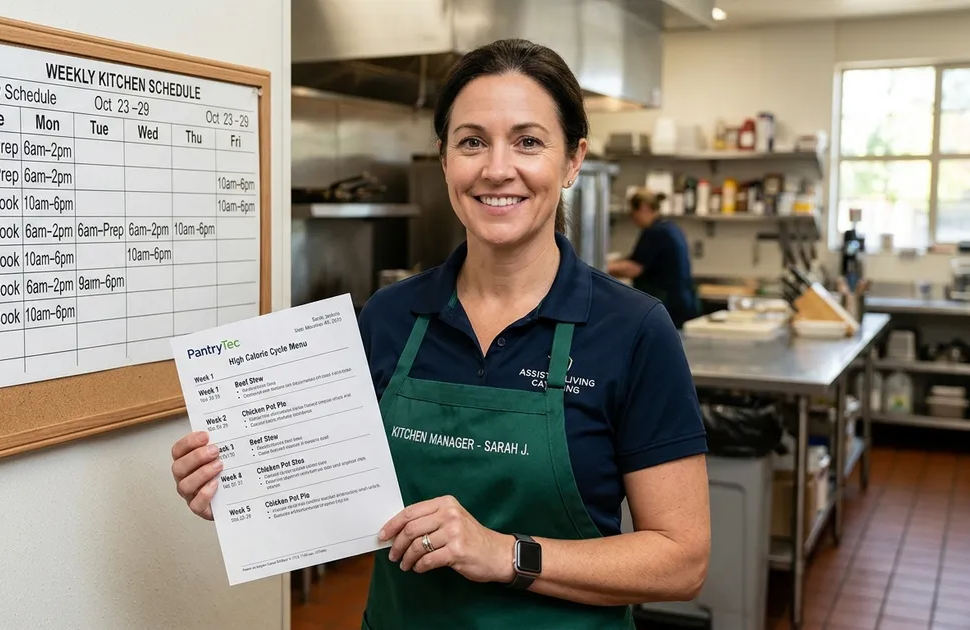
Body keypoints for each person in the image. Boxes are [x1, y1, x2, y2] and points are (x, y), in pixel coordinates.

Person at [171, 38, 710, 629]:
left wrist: (506, 553)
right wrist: (241, 488)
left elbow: (680, 561)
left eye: (528, 142)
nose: (496, 168)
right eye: (472, 141)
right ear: (445, 158)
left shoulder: (633, 330)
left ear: (573, 160)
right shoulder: (389, 316)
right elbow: (336, 494)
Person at [606, 189, 699, 328]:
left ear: (643, 208)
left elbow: (634, 268)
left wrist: (599, 266)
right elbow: (637, 260)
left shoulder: (656, 232)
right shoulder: (669, 227)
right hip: (680, 302)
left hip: (667, 306)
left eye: (633, 213)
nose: (633, 219)